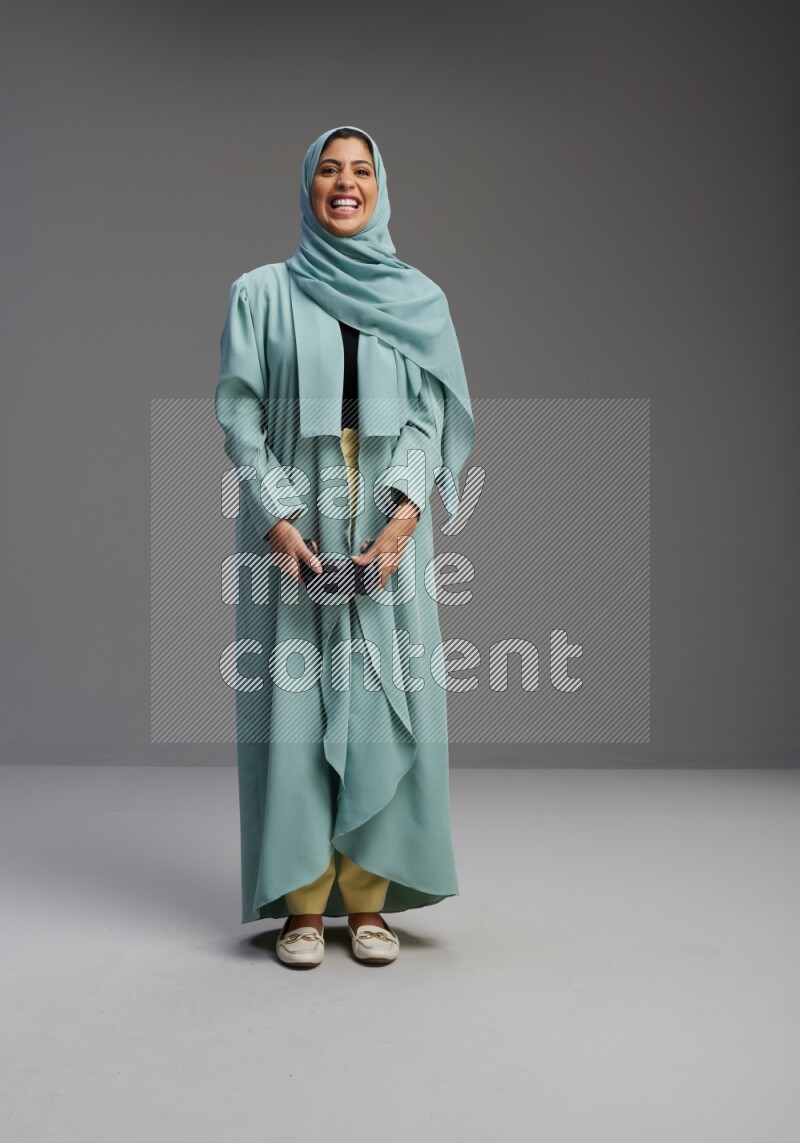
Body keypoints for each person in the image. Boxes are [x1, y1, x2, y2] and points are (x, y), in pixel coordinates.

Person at [215, 124, 476, 968]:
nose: (344, 183)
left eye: (360, 170)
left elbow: (431, 419)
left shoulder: (416, 298)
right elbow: (240, 413)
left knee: (380, 695)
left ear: (380, 186)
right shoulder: (260, 293)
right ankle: (300, 901)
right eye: (329, 169)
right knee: (294, 701)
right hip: (296, 517)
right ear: (308, 186)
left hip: (386, 517)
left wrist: (401, 520)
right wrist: (279, 516)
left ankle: (367, 901)